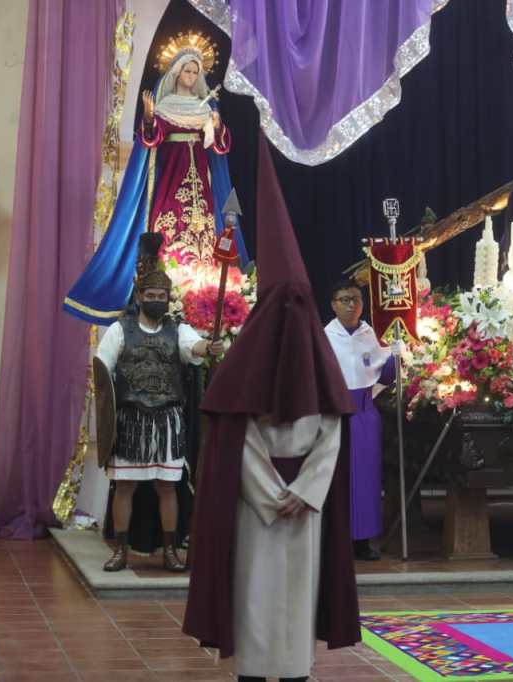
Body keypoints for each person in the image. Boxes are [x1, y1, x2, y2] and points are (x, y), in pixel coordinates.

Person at [183, 139, 359, 681]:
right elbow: (237, 435)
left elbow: (331, 429)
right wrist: (269, 493)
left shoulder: (319, 361)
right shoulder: (247, 365)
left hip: (301, 507)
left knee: (296, 602)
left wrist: (303, 492)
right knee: (257, 598)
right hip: (257, 509)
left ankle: (294, 672)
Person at [64, 31, 248, 325]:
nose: (190, 75)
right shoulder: (166, 106)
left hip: (201, 177)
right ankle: (166, 279)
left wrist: (216, 126)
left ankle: (204, 285)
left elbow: (220, 148)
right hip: (171, 176)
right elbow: (151, 140)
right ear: (176, 73)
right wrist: (150, 118)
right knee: (169, 222)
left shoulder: (206, 107)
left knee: (204, 227)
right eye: (186, 70)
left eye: (195, 71)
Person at [95, 233, 222, 572]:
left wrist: (207, 348)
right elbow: (101, 370)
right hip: (131, 420)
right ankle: (121, 550)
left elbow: (194, 348)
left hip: (166, 421)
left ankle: (169, 551)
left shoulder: (178, 329)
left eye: (161, 296)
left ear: (168, 299)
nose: (156, 300)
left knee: (168, 487)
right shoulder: (119, 330)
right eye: (150, 295)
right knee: (125, 487)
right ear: (139, 297)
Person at [324, 279, 395, 561]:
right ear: (333, 304)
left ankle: (363, 541)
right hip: (335, 414)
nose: (351, 305)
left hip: (365, 414)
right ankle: (336, 540)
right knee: (338, 479)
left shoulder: (371, 334)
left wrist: (395, 358)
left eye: (356, 299)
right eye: (345, 299)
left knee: (366, 479)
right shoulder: (324, 336)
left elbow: (384, 375)